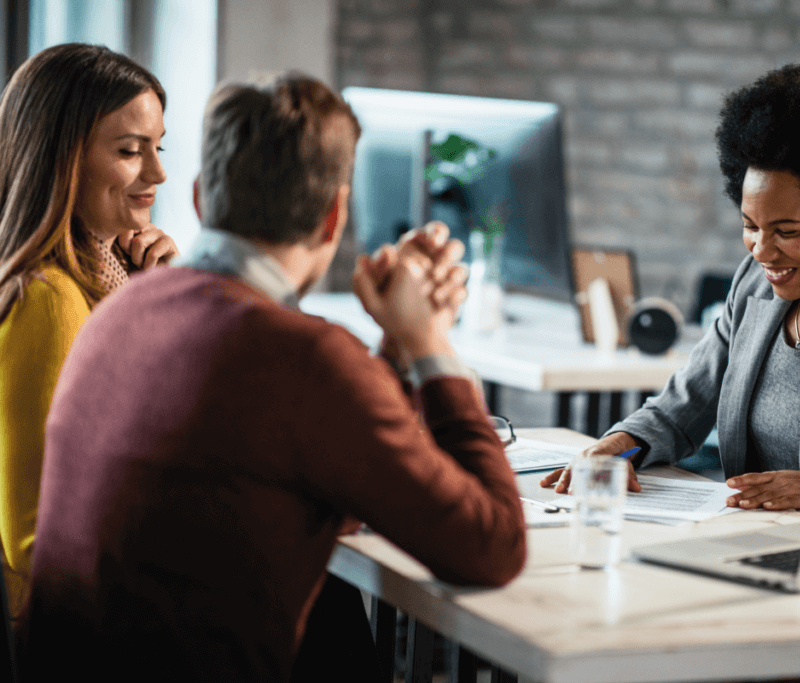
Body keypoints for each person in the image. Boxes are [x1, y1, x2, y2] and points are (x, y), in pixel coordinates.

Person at [18, 72, 526, 682]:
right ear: (334, 216)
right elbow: (492, 548)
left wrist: (390, 350)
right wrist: (430, 343)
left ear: (204, 198)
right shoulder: (307, 358)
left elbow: (309, 451)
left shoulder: (119, 307)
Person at [542, 61, 800, 510]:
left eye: (787, 232)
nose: (761, 251)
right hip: (744, 543)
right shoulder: (754, 288)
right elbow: (682, 406)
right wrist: (620, 444)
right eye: (750, 225)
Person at [0, 43, 178, 615]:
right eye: (130, 151)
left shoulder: (105, 276)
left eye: (158, 147)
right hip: (75, 627)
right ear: (63, 159)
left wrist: (156, 296)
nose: (158, 172)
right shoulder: (49, 301)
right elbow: (32, 535)